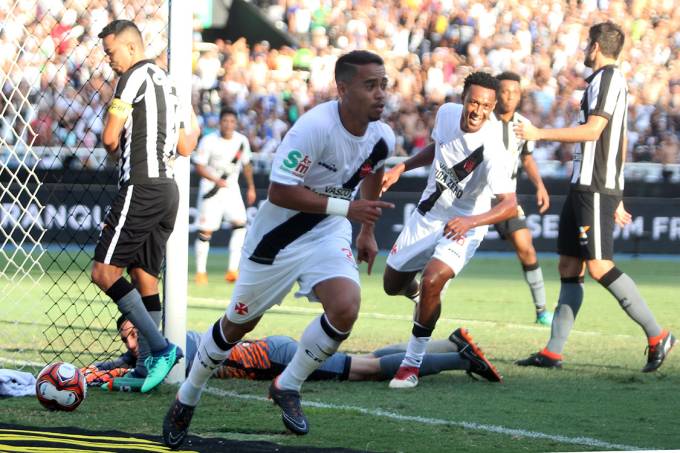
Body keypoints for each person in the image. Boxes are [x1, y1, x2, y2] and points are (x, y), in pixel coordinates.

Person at [162, 50, 396, 447]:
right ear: (343, 89)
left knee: (345, 307)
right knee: (239, 325)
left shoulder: (382, 136)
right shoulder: (314, 128)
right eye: (370, 85)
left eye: (383, 84)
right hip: (277, 240)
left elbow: (373, 171)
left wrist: (366, 231)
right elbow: (280, 191)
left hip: (327, 232)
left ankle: (288, 384)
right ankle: (188, 396)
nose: (380, 94)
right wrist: (348, 208)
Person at [514, 21, 675, 371]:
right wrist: (619, 191)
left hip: (595, 185)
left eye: (588, 44)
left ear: (596, 47)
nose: (585, 50)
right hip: (585, 185)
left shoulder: (608, 79)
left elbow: (593, 131)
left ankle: (658, 335)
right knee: (569, 265)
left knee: (600, 265)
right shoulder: (603, 81)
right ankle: (553, 352)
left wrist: (539, 133)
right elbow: (619, 138)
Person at [380, 72, 517, 389]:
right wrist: (403, 167)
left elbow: (510, 204)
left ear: (493, 108)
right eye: (473, 103)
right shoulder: (446, 114)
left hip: (466, 223)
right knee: (392, 284)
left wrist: (470, 222)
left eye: (486, 106)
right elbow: (437, 147)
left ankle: (410, 366)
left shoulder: (494, 148)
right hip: (428, 215)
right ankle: (422, 299)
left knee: (433, 280)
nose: (477, 111)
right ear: (463, 98)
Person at [89, 20, 199, 394]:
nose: (109, 60)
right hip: (167, 190)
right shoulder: (169, 84)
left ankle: (161, 348)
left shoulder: (133, 76)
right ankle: (144, 365)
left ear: (132, 48)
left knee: (104, 272)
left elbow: (109, 138)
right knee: (144, 276)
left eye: (111, 52)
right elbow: (185, 146)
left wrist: (114, 140)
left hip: (141, 186)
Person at [89, 317, 502, 386]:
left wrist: (108, 375)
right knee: (369, 360)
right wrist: (96, 368)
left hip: (279, 360)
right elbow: (127, 364)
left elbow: (141, 372)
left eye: (135, 334)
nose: (132, 343)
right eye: (126, 338)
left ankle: (461, 358)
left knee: (371, 370)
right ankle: (450, 343)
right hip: (274, 352)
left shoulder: (175, 349)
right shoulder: (157, 349)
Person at [491, 72, 553, 326]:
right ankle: (426, 298)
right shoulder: (483, 121)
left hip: (506, 199)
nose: (510, 96)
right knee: (453, 249)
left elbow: (527, 158)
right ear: (496, 94)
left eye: (515, 92)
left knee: (526, 247)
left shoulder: (523, 125)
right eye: (505, 91)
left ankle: (542, 311)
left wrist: (540, 185)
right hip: (477, 197)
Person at [193, 106, 256, 284]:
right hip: (211, 189)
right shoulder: (208, 141)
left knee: (240, 225)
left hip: (231, 189)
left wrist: (251, 187)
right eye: (225, 121)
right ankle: (200, 273)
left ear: (236, 123)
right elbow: (199, 166)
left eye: (232, 121)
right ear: (219, 122)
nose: (228, 124)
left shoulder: (242, 141)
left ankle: (232, 270)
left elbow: (247, 165)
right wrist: (215, 179)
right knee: (206, 231)